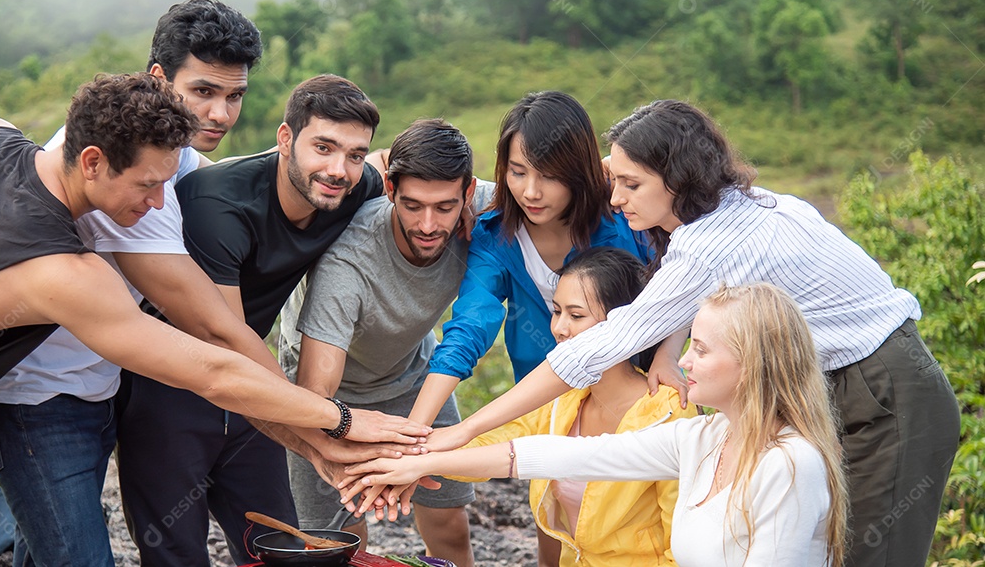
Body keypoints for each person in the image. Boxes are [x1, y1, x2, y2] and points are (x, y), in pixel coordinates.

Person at [0, 73, 424, 567]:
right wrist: (341, 420)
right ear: (91, 161)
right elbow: (214, 368)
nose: (159, 204)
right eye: (149, 185)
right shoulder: (64, 274)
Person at [423, 99, 961, 567]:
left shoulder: (708, 245)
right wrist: (671, 345)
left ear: (677, 182)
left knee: (868, 556)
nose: (615, 198)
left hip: (884, 390)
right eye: (615, 180)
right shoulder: (736, 205)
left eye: (631, 185)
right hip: (821, 387)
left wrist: (463, 430)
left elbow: (594, 349)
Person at [343, 283, 850, 567]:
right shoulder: (704, 439)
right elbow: (540, 454)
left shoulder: (790, 463)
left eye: (699, 348)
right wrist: (415, 461)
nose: (682, 362)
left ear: (754, 364)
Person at [113, 73, 397, 566]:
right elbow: (225, 338)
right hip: (169, 391)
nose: (338, 169)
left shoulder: (350, 185)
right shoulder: (217, 203)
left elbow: (395, 166)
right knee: (176, 553)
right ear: (285, 139)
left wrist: (476, 202)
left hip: (255, 381)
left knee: (279, 544)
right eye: (323, 147)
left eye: (353, 154)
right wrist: (327, 438)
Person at [277, 119, 496, 567]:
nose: (429, 224)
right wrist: (374, 459)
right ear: (391, 189)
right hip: (329, 400)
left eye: (445, 206)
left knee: (451, 521)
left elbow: (572, 184)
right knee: (340, 541)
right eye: (413, 205)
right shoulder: (348, 262)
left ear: (469, 192)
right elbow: (315, 391)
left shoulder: (486, 205)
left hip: (413, 375)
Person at [409, 91, 672, 431]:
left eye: (549, 176)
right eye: (518, 172)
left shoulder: (627, 220)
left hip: (640, 408)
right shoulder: (495, 236)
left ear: (577, 171)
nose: (531, 192)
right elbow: (469, 327)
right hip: (546, 413)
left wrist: (667, 356)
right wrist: (415, 429)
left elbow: (678, 289)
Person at [461, 247, 693, 567]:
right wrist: (407, 455)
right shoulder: (562, 397)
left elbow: (682, 540)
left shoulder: (668, 410)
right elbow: (487, 443)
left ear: (626, 324)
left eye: (576, 315)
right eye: (557, 311)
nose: (559, 327)